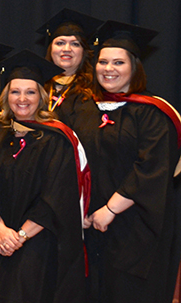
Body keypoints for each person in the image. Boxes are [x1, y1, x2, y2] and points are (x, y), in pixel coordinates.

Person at [72, 21, 181, 303]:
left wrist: (109, 210)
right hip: (90, 226)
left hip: (135, 229)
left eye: (118, 62)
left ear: (134, 67)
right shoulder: (85, 109)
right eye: (103, 62)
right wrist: (79, 208)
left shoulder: (152, 113)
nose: (109, 69)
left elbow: (152, 168)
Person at [0, 50, 87, 302]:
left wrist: (19, 237)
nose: (22, 99)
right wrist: (0, 230)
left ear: (41, 97)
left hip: (38, 246)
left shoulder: (56, 140)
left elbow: (55, 199)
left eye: (30, 92)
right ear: (6, 96)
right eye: (15, 91)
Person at [36, 8, 102, 124]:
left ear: (84, 52)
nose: (67, 49)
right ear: (50, 49)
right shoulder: (36, 85)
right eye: (60, 43)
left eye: (75, 44)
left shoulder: (95, 89)